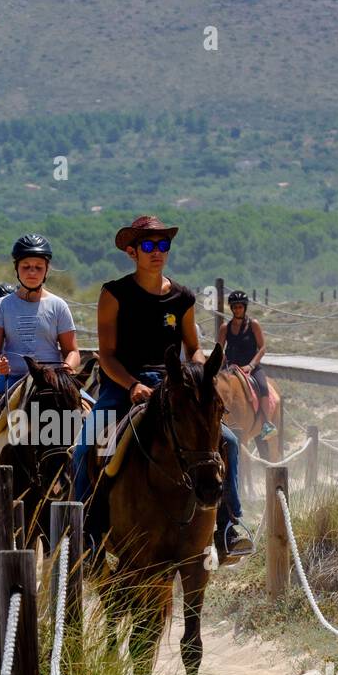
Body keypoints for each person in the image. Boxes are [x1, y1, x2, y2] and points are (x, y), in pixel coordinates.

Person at [71, 215, 250, 555]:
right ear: (132, 252)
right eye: (149, 246)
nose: (157, 252)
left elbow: (193, 346)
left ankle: (229, 524)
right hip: (121, 386)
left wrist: (201, 369)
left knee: (228, 441)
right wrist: (131, 385)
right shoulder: (114, 294)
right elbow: (106, 355)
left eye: (163, 245)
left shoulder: (182, 297)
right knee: (83, 447)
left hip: (174, 386)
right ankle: (88, 532)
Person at [0, 236, 80, 488]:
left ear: (46, 270)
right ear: (17, 269)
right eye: (26, 267)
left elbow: (72, 350)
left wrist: (68, 366)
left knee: (96, 414)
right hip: (11, 377)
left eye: (38, 267)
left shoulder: (58, 306)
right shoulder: (2, 305)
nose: (32, 272)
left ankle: (89, 488)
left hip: (53, 379)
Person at [217, 290, 277, 438]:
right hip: (230, 368)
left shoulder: (253, 325)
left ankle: (266, 424)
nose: (237, 309)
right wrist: (221, 360)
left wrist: (251, 365)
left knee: (263, 388)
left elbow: (262, 348)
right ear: (231, 308)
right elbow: (219, 349)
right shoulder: (225, 327)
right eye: (235, 307)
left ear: (245, 308)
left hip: (251, 367)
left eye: (240, 307)